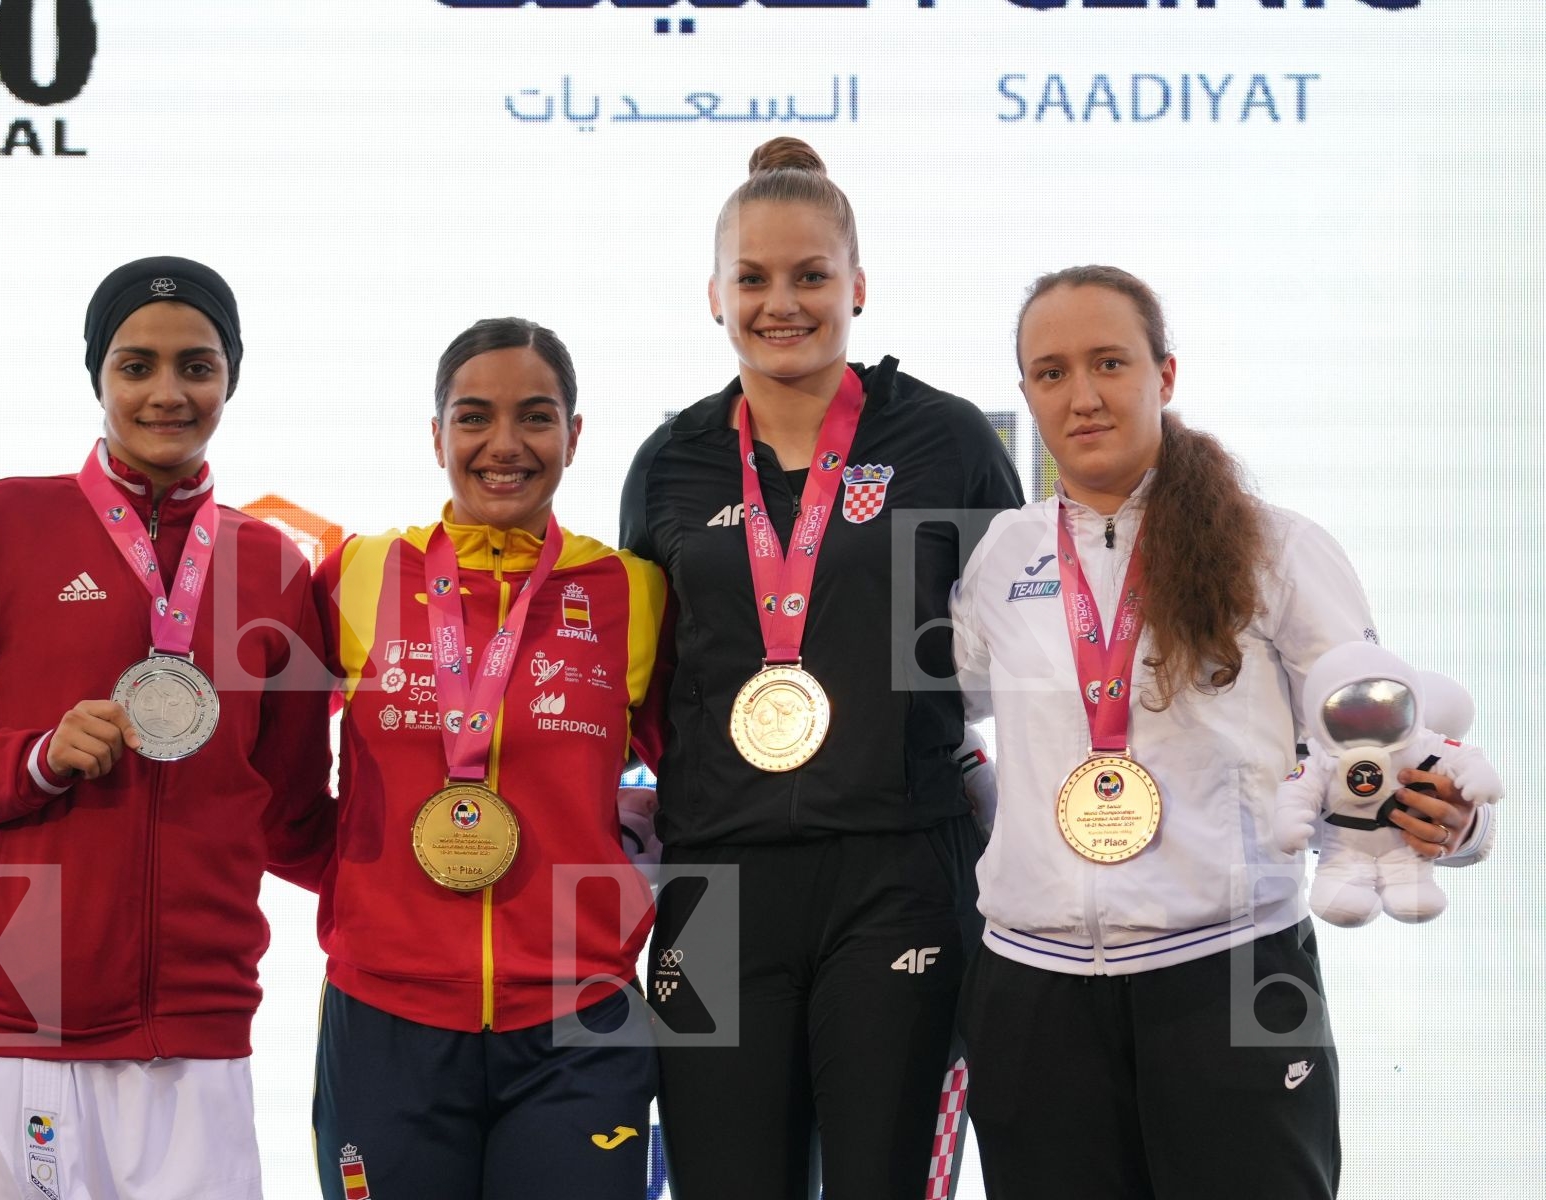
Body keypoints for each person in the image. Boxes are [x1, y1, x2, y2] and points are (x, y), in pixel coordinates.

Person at [948, 263, 1491, 1199]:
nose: (1082, 396)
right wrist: (1012, 835)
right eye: (1050, 372)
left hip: (1230, 972)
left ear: (1165, 374)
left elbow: (1374, 731)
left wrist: (1456, 823)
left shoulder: (1272, 545)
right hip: (1032, 992)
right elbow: (936, 721)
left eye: (1110, 362)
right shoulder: (1005, 554)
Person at [0, 256, 332, 1200]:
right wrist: (32, 758)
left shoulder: (272, 564)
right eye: (135, 365)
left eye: (197, 366)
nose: (167, 392)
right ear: (97, 376)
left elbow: (292, 817)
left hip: (194, 1029)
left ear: (230, 377)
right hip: (10, 1018)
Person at [619, 137, 1024, 1200]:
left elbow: (1028, 656)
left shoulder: (945, 440)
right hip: (709, 885)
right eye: (753, 278)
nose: (780, 302)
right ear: (715, 293)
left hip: (896, 875)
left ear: (858, 283)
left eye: (810, 275)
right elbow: (640, 678)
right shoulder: (669, 460)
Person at [309, 317, 669, 1200]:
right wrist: (367, 887)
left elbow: (707, 791)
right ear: (436, 436)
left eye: (536, 418)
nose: (503, 445)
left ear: (575, 436)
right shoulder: (357, 573)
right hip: (387, 1016)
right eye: (473, 418)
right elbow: (277, 787)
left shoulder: (631, 591)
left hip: (579, 1023)